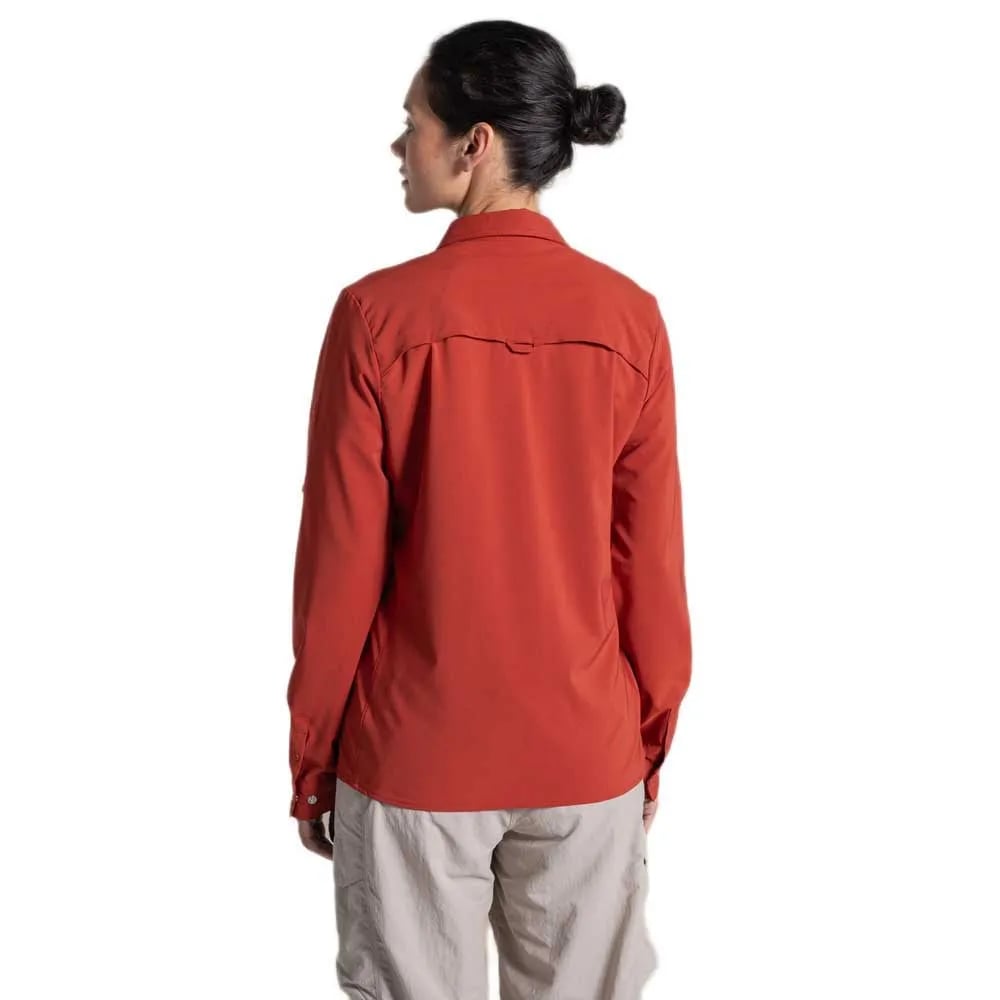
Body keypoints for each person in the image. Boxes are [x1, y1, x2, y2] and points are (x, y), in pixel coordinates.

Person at [285, 18, 692, 999]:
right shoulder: (629, 317)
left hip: (414, 755)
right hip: (585, 754)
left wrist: (313, 756)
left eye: (413, 123)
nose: (399, 145)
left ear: (474, 143)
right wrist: (645, 743)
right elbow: (650, 565)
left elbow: (338, 567)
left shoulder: (376, 316)